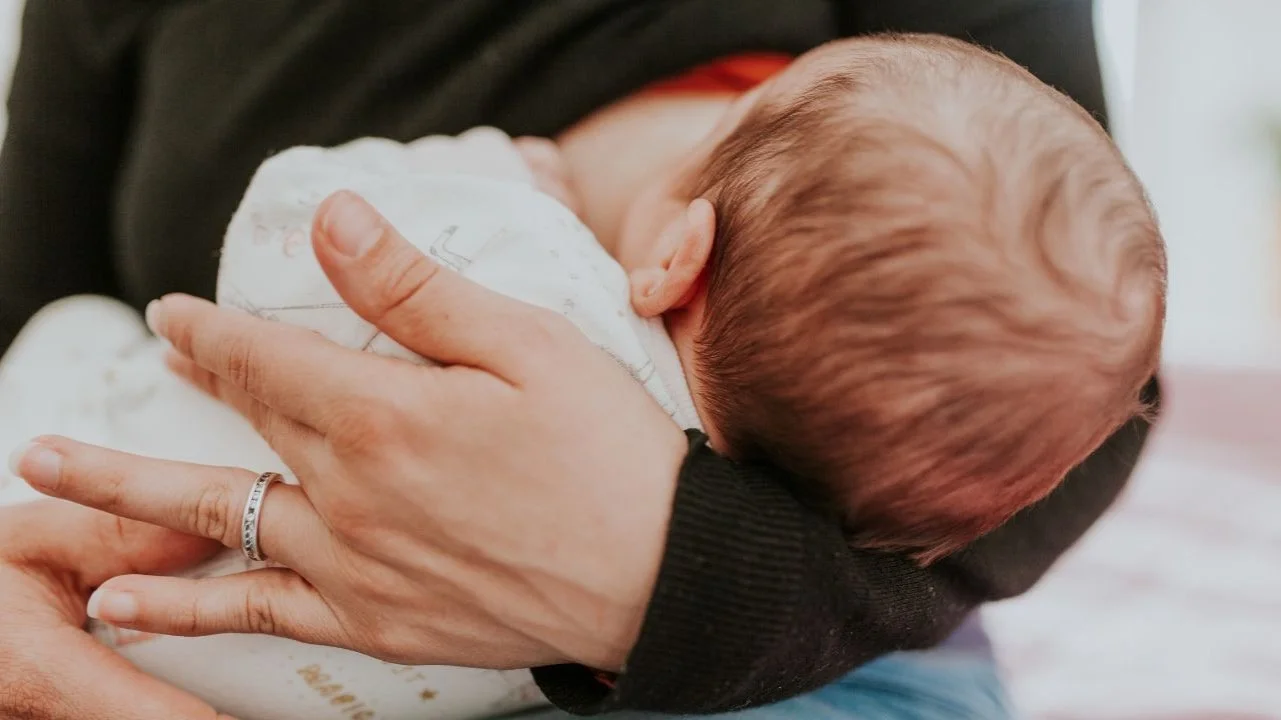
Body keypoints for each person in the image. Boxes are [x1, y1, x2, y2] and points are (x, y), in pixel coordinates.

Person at [0, 1, 1160, 718]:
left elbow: (1079, 381)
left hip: (801, 662)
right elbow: (1072, 382)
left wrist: (664, 576)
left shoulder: (498, 231)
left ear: (672, 257)